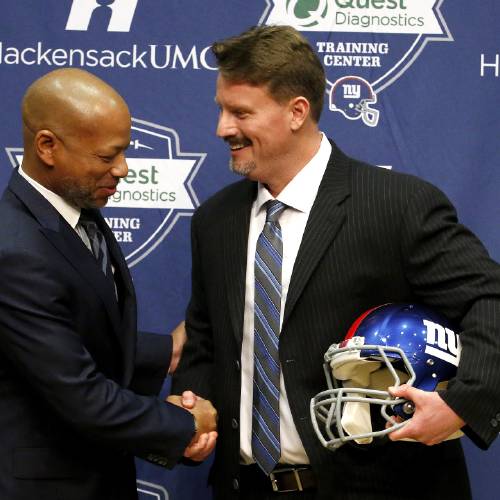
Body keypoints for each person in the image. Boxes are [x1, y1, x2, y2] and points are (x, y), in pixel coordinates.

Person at [171, 25, 500, 500]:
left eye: (240, 112)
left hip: (378, 488)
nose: (222, 128)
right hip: (244, 487)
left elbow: (489, 301)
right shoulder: (216, 221)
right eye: (221, 109)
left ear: (296, 112)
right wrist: (193, 405)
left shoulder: (398, 206)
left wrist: (462, 403)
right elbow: (205, 339)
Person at [0, 68, 217, 500]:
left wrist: (169, 351)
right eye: (106, 156)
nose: (123, 169)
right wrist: (186, 424)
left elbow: (74, 334)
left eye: (124, 152)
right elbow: (80, 394)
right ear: (47, 146)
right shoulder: (14, 251)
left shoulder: (78, 213)